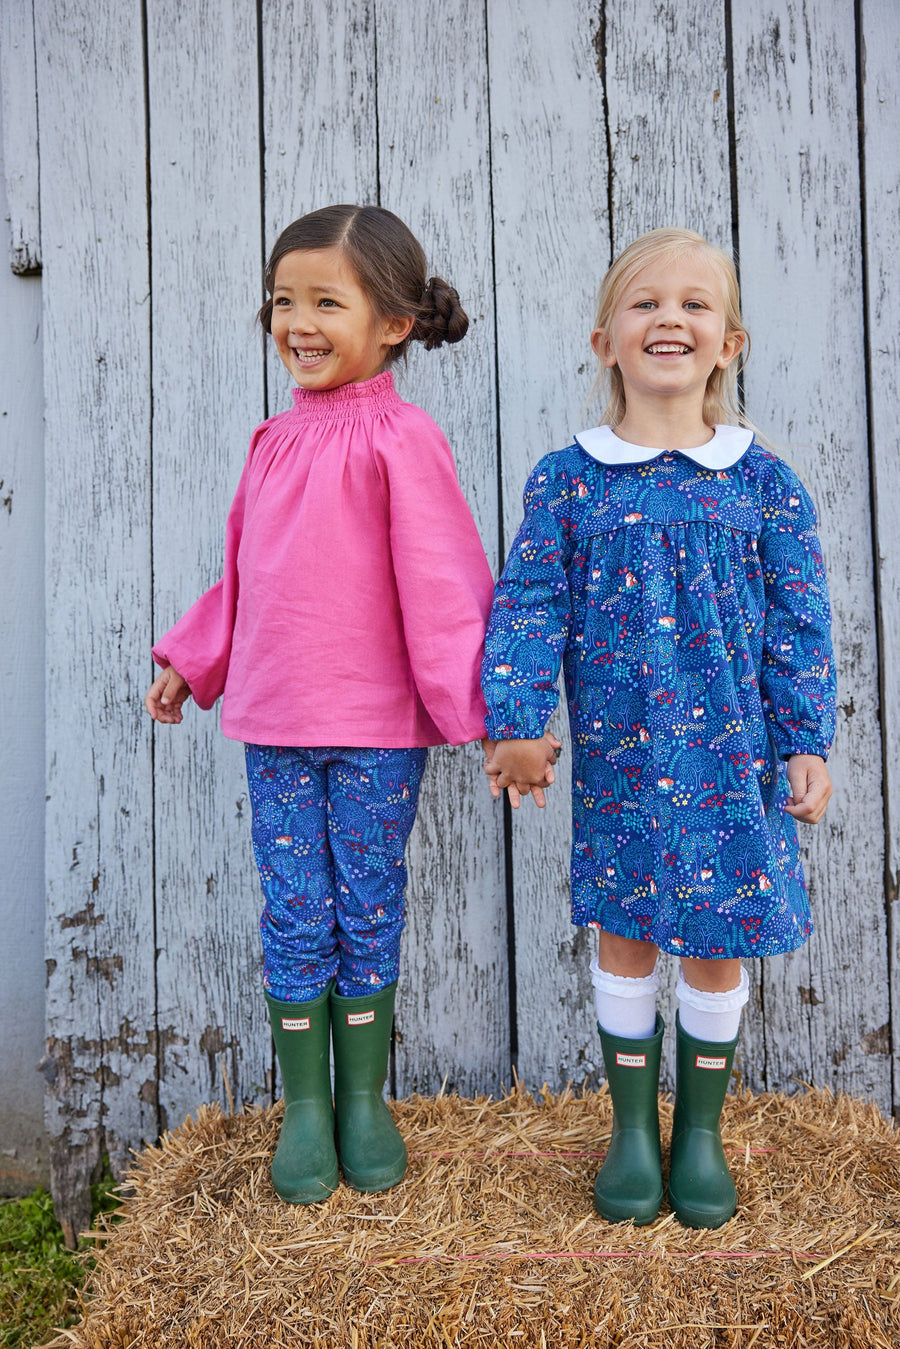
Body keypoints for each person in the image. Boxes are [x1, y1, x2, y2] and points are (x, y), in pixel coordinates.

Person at [481, 228, 835, 1229]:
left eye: (693, 304)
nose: (669, 319)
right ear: (605, 341)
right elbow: (529, 603)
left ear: (730, 342)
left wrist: (807, 739)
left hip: (735, 755)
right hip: (622, 758)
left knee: (720, 935)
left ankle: (701, 1133)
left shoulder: (762, 481)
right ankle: (633, 1129)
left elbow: (801, 621)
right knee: (628, 926)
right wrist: (516, 718)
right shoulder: (570, 478)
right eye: (644, 303)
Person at [145, 204, 495, 1205]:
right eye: (282, 300)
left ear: (393, 322)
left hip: (376, 730)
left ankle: (362, 1101)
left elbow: (444, 580)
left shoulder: (403, 439)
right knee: (296, 909)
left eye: (325, 302)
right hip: (275, 722)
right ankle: (306, 1106)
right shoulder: (272, 441)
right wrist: (193, 657)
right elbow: (245, 575)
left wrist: (488, 714)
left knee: (368, 904)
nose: (297, 322)